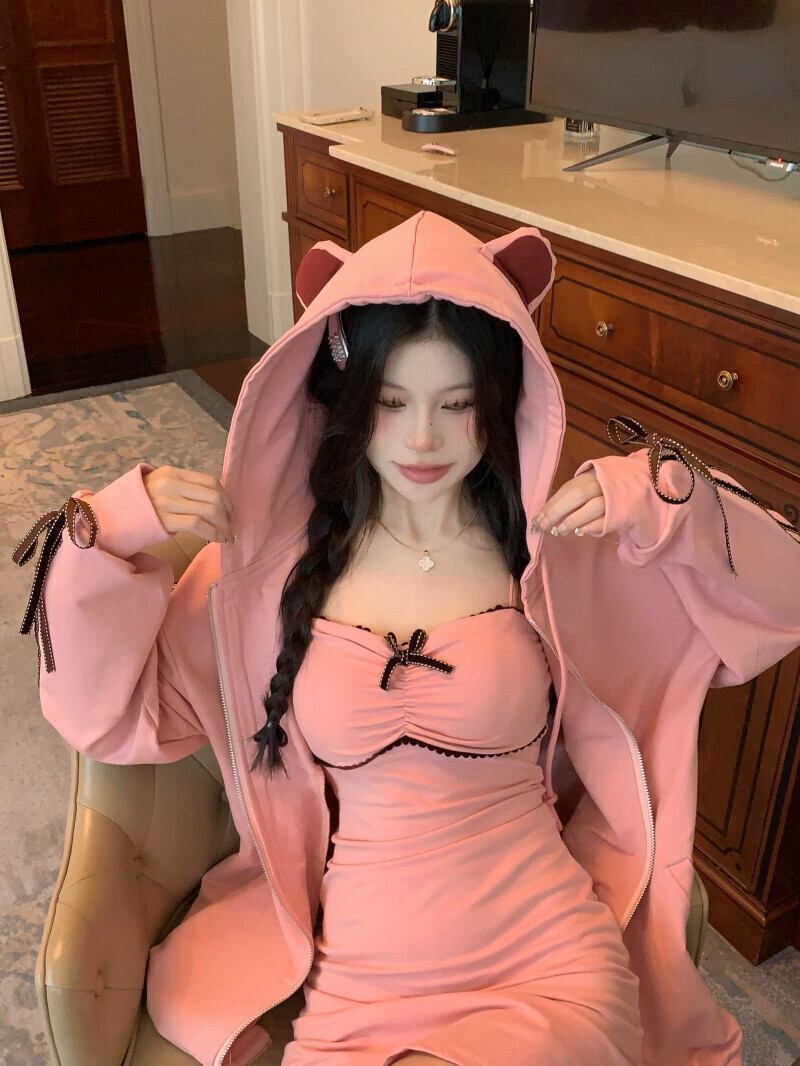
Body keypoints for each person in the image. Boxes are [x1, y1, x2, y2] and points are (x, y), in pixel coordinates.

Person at [12, 210, 800, 1066]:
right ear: (349, 401)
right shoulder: (259, 582)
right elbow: (99, 715)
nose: (424, 439)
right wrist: (108, 527)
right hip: (359, 985)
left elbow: (781, 596)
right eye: (392, 404)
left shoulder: (559, 551)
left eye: (457, 405)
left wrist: (664, 497)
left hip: (546, 959)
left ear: (498, 403)